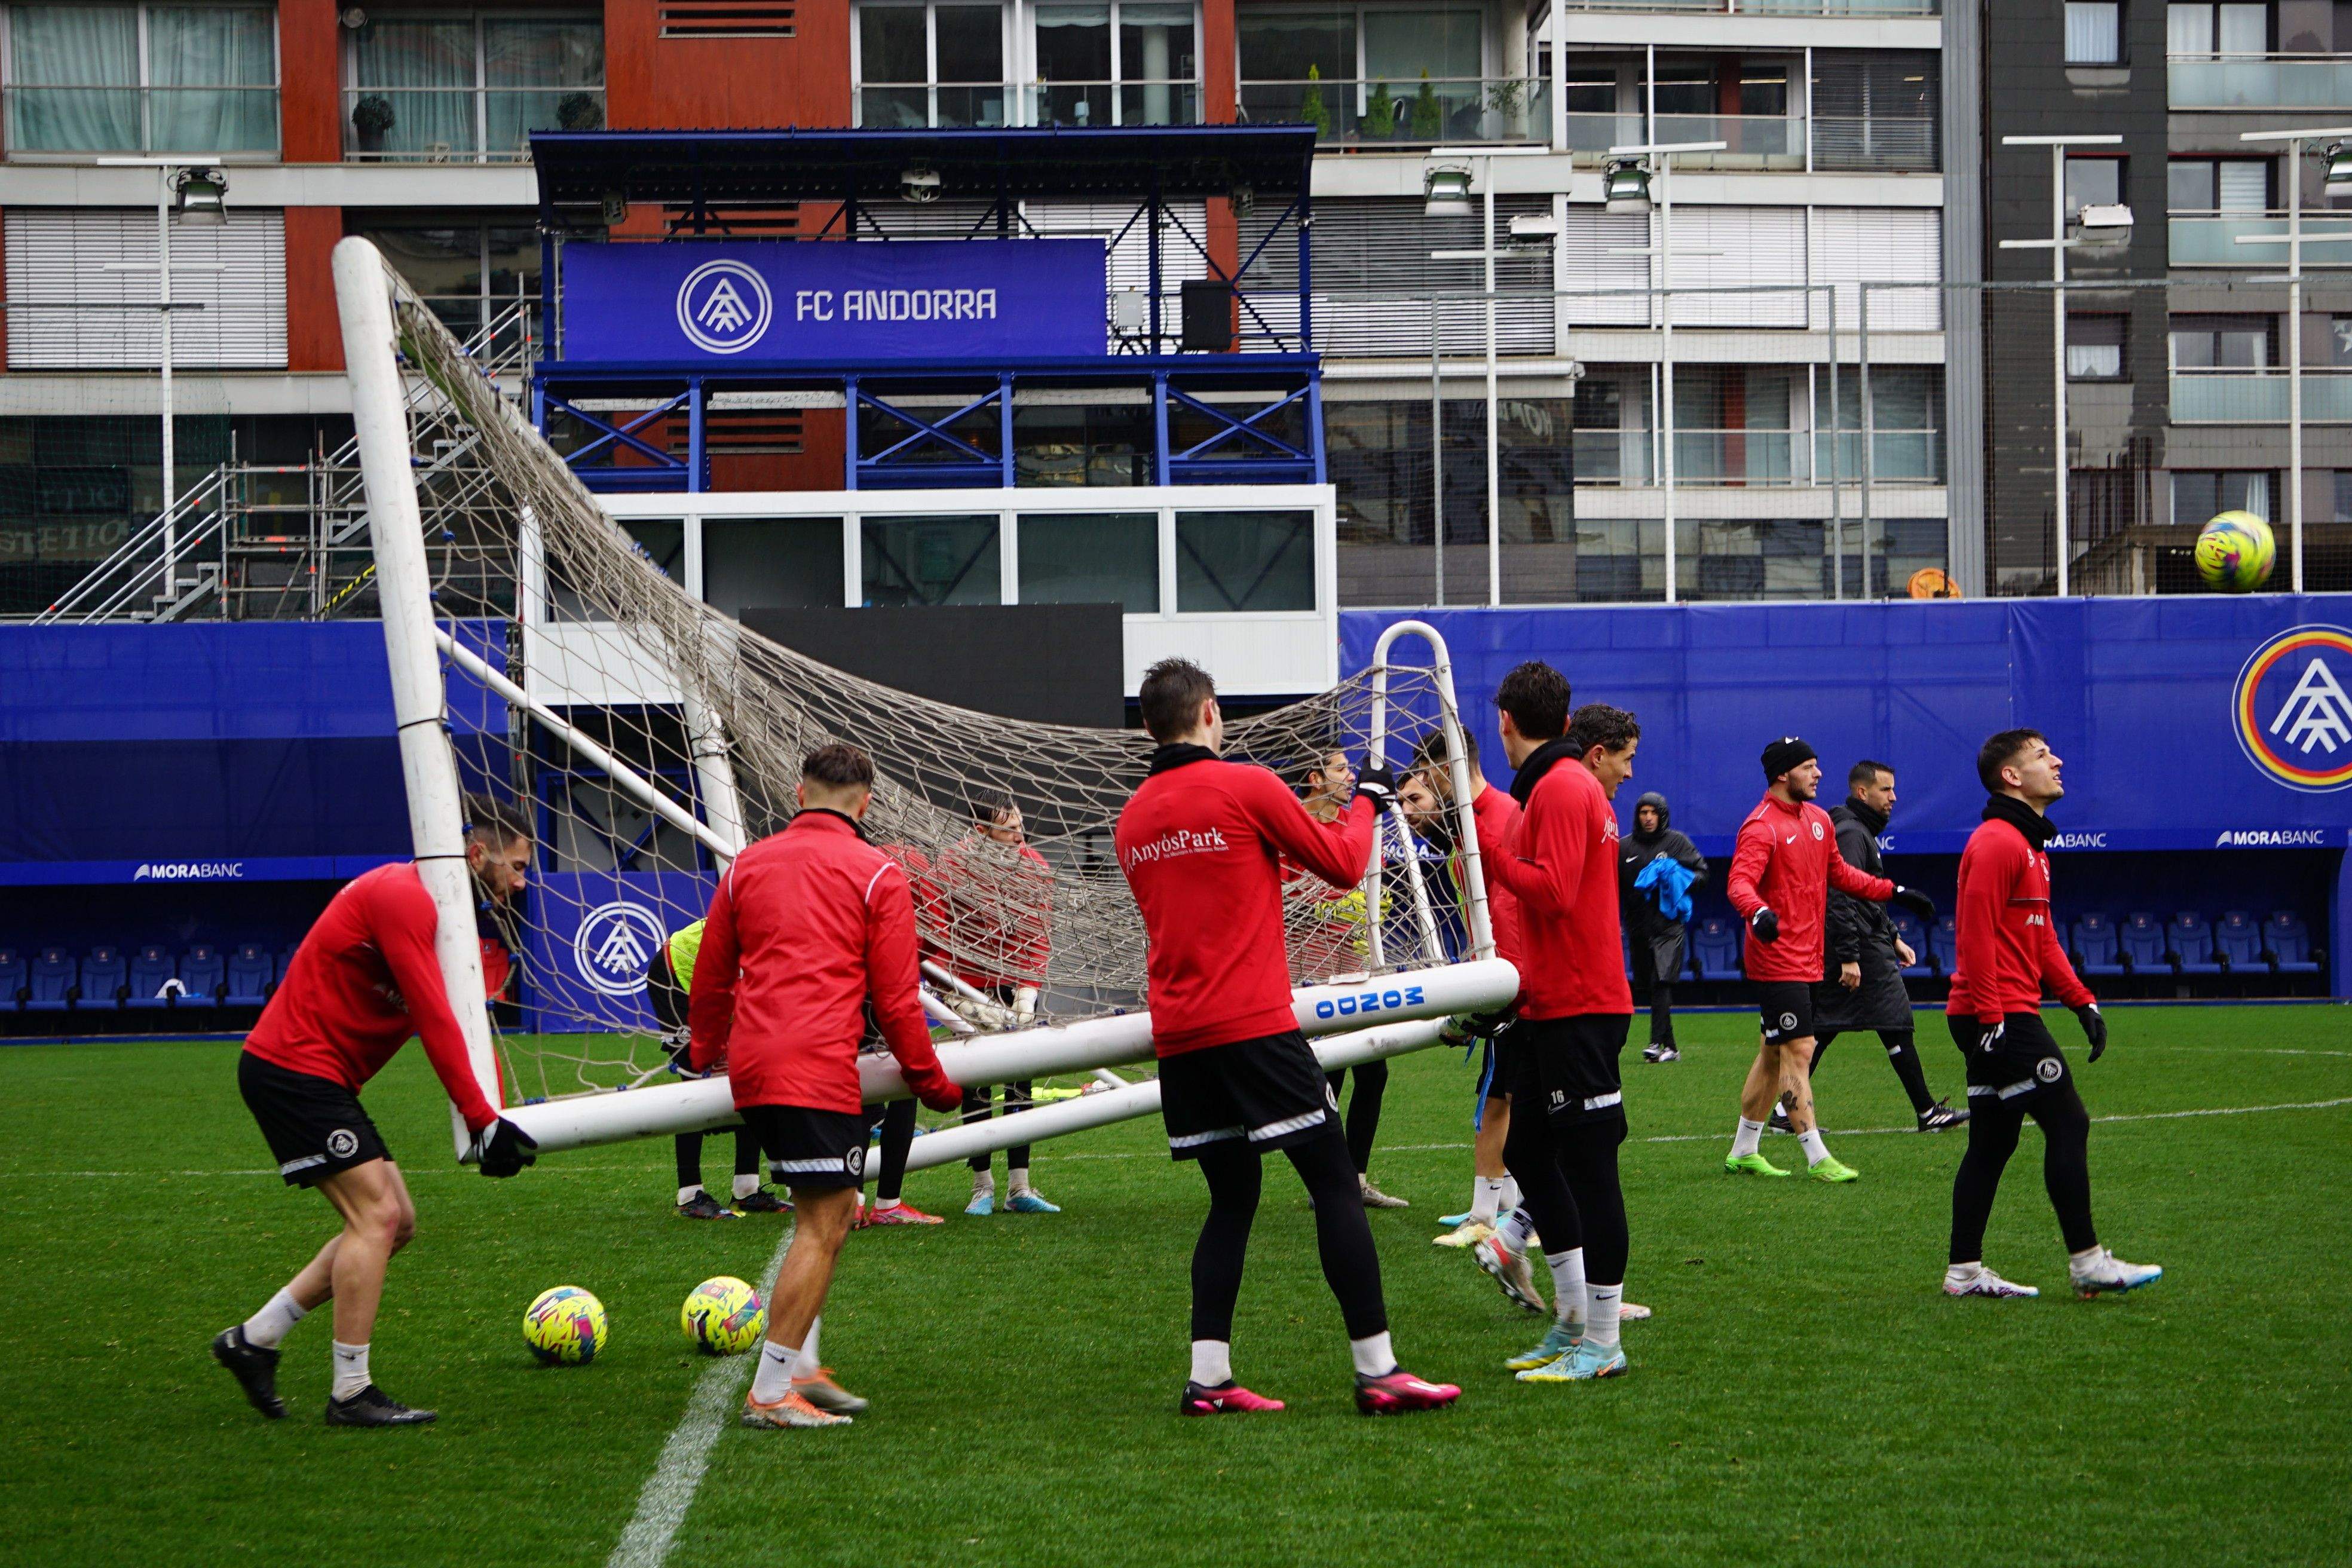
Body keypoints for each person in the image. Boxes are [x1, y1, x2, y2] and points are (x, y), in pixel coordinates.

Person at [1116, 656, 1458, 1417]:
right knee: (1334, 1181)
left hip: (1181, 1036)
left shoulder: (1133, 817)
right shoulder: (1246, 785)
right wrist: (1368, 801)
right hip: (1252, 1023)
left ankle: (1209, 1378)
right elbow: (1342, 864)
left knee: (1232, 1199)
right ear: (1211, 712)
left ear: (1149, 726)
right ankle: (1378, 1369)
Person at [212, 794, 542, 1427]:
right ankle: (351, 1392)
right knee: (378, 1214)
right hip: (293, 1070)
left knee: (399, 1222)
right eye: (519, 866)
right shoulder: (403, 896)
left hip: (323, 1078)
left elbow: (465, 1025)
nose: (523, 882)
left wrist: (492, 1114)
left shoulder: (449, 919)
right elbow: (435, 1018)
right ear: (478, 854)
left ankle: (254, 1339)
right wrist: (481, 1119)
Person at [688, 743, 964, 1429]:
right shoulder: (878, 872)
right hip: (813, 1069)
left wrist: (703, 1053)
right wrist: (932, 1082)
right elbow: (897, 1000)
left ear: (798, 791)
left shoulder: (747, 864)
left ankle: (802, 1367)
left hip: (754, 1064)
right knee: (827, 1219)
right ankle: (771, 1391)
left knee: (830, 1210)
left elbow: (712, 977)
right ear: (865, 802)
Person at [1943, 730, 2161, 1301]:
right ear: (2011, 776)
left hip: (1999, 1012)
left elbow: (2040, 941)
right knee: (2069, 1122)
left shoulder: (2031, 846)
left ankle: (1963, 1273)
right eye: (2042, 755)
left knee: (1992, 1144)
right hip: (2000, 1015)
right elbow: (1974, 934)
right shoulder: (1998, 842)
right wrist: (1992, 1015)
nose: (2058, 761)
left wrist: (2080, 1000)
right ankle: (2088, 1262)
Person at [1469, 683, 1643, 1384]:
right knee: (1528, 1152)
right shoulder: (1555, 785)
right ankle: (1572, 1320)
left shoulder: (1564, 786)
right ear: (1566, 721)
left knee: (1590, 1169)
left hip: (1582, 1005)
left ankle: (1603, 1340)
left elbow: (1556, 891)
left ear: (1506, 721)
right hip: (1551, 1003)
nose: (1628, 771)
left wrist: (1490, 855)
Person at [1721, 737, 1936, 1183]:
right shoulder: (1761, 826)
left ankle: (1743, 1151)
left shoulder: (1819, 820)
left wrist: (1895, 892)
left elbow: (1841, 874)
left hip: (1809, 958)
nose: (1819, 774)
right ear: (1784, 774)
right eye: (1809, 767)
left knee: (1773, 1054)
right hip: (1776, 959)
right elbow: (1739, 882)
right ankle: (1818, 1158)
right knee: (1799, 1049)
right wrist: (1758, 912)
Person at [1787, 761, 1967, 1134]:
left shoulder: (1856, 830)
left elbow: (1866, 896)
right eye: (1886, 790)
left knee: (1827, 1026)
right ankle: (1927, 1112)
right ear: (1862, 792)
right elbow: (1841, 895)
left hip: (1862, 942)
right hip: (1859, 947)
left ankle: (1782, 1111)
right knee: (1894, 1021)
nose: (1894, 797)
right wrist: (1851, 956)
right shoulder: (1853, 833)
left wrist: (1893, 937)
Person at [1405, 729, 1523, 1248]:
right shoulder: (1464, 827)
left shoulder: (1500, 818)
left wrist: (1496, 986)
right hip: (1496, 976)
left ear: (1444, 769)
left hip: (1512, 983)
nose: (1415, 795)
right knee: (1497, 1093)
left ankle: (1493, 1216)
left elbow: (1510, 912)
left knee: (1500, 1096)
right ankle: (1502, 1208)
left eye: (1421, 782)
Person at [1289, 749, 1404, 1208]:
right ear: (1315, 778)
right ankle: (1329, 1182)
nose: (1351, 776)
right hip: (1309, 972)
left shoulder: (1355, 825)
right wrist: (1325, 906)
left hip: (1355, 964)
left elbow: (1364, 881)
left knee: (1374, 1071)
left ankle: (1353, 1179)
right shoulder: (1292, 825)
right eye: (1340, 769)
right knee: (1328, 1073)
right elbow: (1280, 898)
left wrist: (1370, 903)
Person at [933, 796, 1059, 1215]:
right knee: (976, 1084)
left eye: (1021, 826)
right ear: (981, 831)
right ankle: (982, 1186)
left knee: (1020, 1082)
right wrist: (951, 991)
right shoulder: (952, 866)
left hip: (1015, 983)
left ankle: (1020, 1186)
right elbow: (939, 932)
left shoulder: (1035, 867)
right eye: (1009, 829)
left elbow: (1039, 935)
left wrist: (1028, 992)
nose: (1020, 835)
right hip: (969, 986)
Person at [648, 917, 788, 1218]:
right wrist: (717, 1046)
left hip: (724, 980)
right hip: (676, 974)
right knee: (695, 1079)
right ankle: (689, 1194)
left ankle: (747, 1189)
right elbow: (726, 987)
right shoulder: (767, 931)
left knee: (750, 1075)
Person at [1618, 791, 1705, 1064]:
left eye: (1654, 813)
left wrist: (1676, 876)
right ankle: (1671, 1047)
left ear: (1662, 815)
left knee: (1661, 980)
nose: (1648, 818)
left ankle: (1656, 1043)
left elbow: (1702, 875)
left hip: (1669, 926)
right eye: (1644, 812)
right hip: (1638, 928)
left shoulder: (1677, 842)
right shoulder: (1624, 847)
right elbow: (1611, 885)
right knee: (1649, 984)